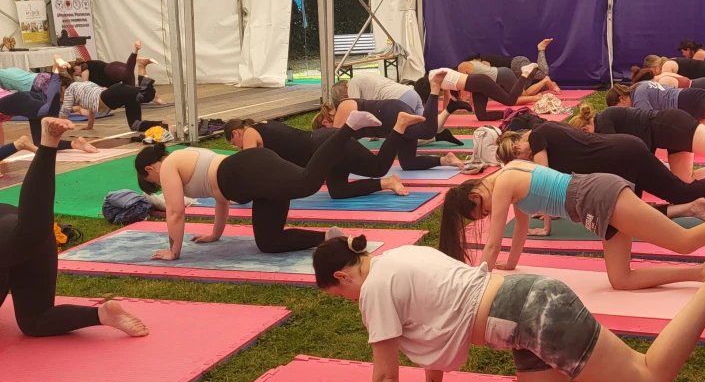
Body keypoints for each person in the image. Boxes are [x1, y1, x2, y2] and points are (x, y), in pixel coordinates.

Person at [312, 236, 705, 382]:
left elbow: (383, 377)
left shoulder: (373, 287)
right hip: (522, 314)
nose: (350, 303)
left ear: (341, 279)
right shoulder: (399, 256)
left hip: (529, 313)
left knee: (647, 380)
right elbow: (440, 319)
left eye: (340, 297)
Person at [440, 158, 705, 291]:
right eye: (483, 215)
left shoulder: (502, 183)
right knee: (621, 280)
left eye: (482, 209)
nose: (488, 214)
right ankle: (701, 274)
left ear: (476, 191)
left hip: (596, 196)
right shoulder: (509, 181)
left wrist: (479, 279)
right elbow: (516, 232)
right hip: (591, 206)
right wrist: (508, 265)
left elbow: (491, 242)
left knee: (683, 241)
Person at [134, 109, 385, 260]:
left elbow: (176, 212)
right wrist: (215, 234)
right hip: (254, 180)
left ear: (150, 169)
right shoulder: (184, 157)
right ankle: (330, 238)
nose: (159, 185)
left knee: (307, 183)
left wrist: (173, 252)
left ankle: (349, 126)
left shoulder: (167, 166)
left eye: (152, 183)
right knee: (268, 242)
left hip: (249, 170)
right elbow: (219, 197)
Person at [1, 117, 148, 338]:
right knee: (35, 321)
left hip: (17, 231)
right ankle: (102, 314)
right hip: (27, 236)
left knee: (29, 235)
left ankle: (48, 144)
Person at [495, 122, 705, 222]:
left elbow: (544, 177)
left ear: (519, 142)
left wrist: (538, 215)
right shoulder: (548, 131)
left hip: (623, 159)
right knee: (642, 212)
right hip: (624, 153)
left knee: (638, 213)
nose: (523, 158)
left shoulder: (537, 137)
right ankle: (700, 204)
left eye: (517, 154)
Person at [222, 118, 409, 199]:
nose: (237, 147)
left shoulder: (249, 133)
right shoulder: (263, 124)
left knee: (378, 167)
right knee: (338, 191)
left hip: (324, 145)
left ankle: (399, 126)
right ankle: (387, 183)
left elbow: (248, 167)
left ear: (236, 133)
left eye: (233, 143)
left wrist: (239, 196)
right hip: (322, 148)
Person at [317, 71, 464, 172]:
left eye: (325, 129)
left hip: (390, 111)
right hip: (393, 115)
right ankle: (446, 160)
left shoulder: (343, 107)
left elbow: (333, 147)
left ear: (324, 122)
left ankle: (434, 89)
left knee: (426, 131)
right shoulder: (344, 115)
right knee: (408, 163)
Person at [568, 102, 705, 182]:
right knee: (685, 181)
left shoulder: (603, 120)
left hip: (672, 125)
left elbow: (612, 157)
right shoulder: (604, 122)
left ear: (585, 130)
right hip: (667, 134)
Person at [331, 75, 467, 146]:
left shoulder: (352, 84)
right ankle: (449, 110)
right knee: (427, 126)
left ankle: (438, 136)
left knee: (403, 138)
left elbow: (355, 111)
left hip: (397, 101)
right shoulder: (365, 79)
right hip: (409, 93)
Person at [0, 72, 98, 153]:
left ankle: (55, 73)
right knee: (41, 142)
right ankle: (75, 144)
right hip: (27, 98)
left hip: (19, 100)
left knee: (48, 111)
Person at [68, 40, 165, 104]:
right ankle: (154, 97)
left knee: (128, 72)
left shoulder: (85, 65)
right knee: (135, 92)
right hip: (117, 77)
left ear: (76, 68)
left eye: (77, 73)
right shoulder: (91, 77)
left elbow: (85, 82)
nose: (79, 75)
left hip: (111, 69)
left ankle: (135, 52)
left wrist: (80, 91)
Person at [434, 61, 535, 121]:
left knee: (510, 100)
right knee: (481, 116)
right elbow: (447, 97)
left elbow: (465, 87)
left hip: (483, 81)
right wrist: (443, 115)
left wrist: (465, 101)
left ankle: (525, 73)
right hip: (477, 87)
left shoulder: (454, 72)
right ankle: (512, 114)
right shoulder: (444, 81)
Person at [461, 38, 562, 97]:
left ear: (475, 60)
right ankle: (548, 83)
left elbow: (486, 72)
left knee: (543, 73)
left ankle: (541, 49)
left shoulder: (484, 60)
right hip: (514, 75)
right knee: (525, 94)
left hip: (515, 64)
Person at [59, 78, 161, 132]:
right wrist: (90, 126)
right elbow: (92, 107)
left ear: (63, 87)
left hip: (111, 94)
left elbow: (65, 110)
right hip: (115, 92)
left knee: (145, 95)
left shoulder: (69, 90)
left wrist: (57, 130)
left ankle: (142, 68)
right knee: (135, 125)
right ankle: (163, 124)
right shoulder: (82, 84)